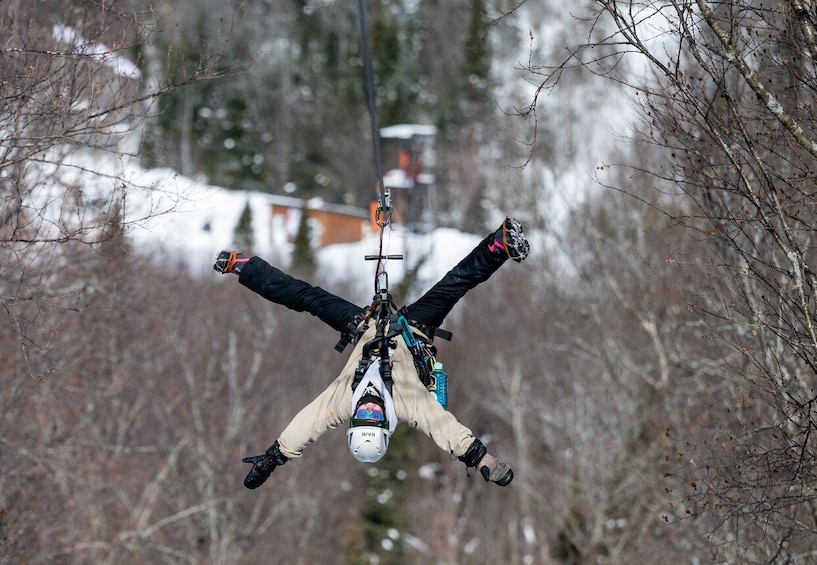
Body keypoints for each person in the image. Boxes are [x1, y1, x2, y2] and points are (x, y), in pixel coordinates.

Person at [213, 217, 530, 489]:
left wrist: (272, 459)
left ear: (353, 420)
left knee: (306, 297)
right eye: (374, 416)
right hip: (411, 331)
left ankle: (239, 265)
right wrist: (484, 460)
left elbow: (305, 426)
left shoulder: (342, 401)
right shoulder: (408, 403)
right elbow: (446, 431)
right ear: (385, 422)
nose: (368, 406)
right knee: (453, 286)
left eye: (363, 415)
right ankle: (500, 242)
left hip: (364, 329)